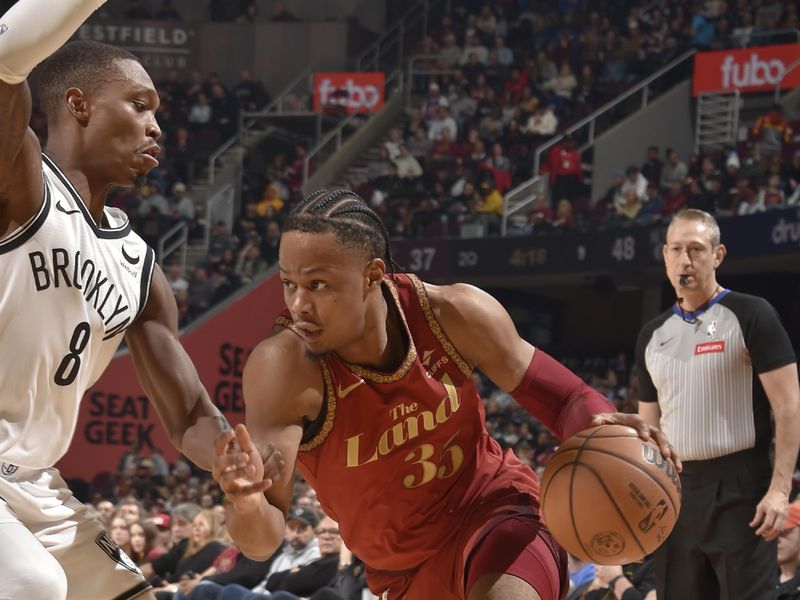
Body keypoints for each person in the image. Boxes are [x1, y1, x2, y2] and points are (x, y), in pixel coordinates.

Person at [211, 189, 678, 600]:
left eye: (317, 285)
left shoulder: (453, 312)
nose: (298, 305)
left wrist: (600, 423)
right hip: (401, 571)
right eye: (289, 284)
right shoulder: (284, 367)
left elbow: (566, 399)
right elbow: (262, 540)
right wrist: (249, 503)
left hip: (494, 512)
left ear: (372, 275)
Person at [0, 2, 282, 598]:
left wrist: (226, 457)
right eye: (139, 104)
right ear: (78, 105)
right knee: (33, 585)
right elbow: (5, 64)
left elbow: (187, 417)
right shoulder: (21, 180)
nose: (157, 125)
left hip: (31, 481)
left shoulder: (139, 268)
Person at [635, 209, 800, 599]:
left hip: (743, 489)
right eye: (676, 249)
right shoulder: (651, 334)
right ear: (664, 255)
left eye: (695, 249)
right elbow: (648, 431)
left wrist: (779, 491)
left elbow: (790, 407)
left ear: (718, 255)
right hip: (676, 492)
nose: (684, 260)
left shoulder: (751, 313)